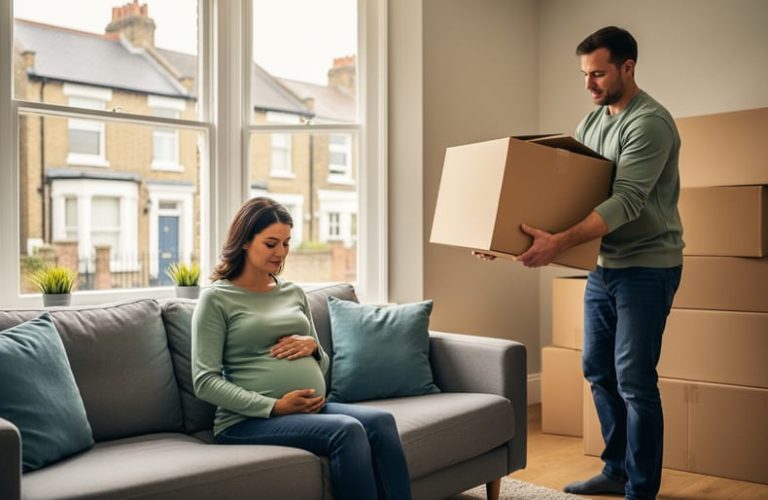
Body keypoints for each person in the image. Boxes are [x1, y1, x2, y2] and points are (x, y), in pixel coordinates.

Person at [475, 26, 683, 500]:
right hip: (604, 266)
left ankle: (642, 488)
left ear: (628, 68)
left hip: (648, 266)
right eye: (584, 75)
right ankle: (615, 470)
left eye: (598, 74)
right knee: (597, 369)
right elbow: (567, 193)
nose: (588, 85)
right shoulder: (592, 124)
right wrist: (502, 237)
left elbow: (626, 201)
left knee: (634, 378)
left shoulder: (648, 123)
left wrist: (559, 242)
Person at [192, 196, 412, 500]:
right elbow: (204, 381)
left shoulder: (293, 292)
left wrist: (312, 347)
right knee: (345, 431)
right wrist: (274, 406)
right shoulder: (216, 299)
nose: (280, 253)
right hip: (246, 421)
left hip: (311, 407)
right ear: (244, 241)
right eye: (271, 244)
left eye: (286, 243)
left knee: (381, 422)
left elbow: (322, 366)